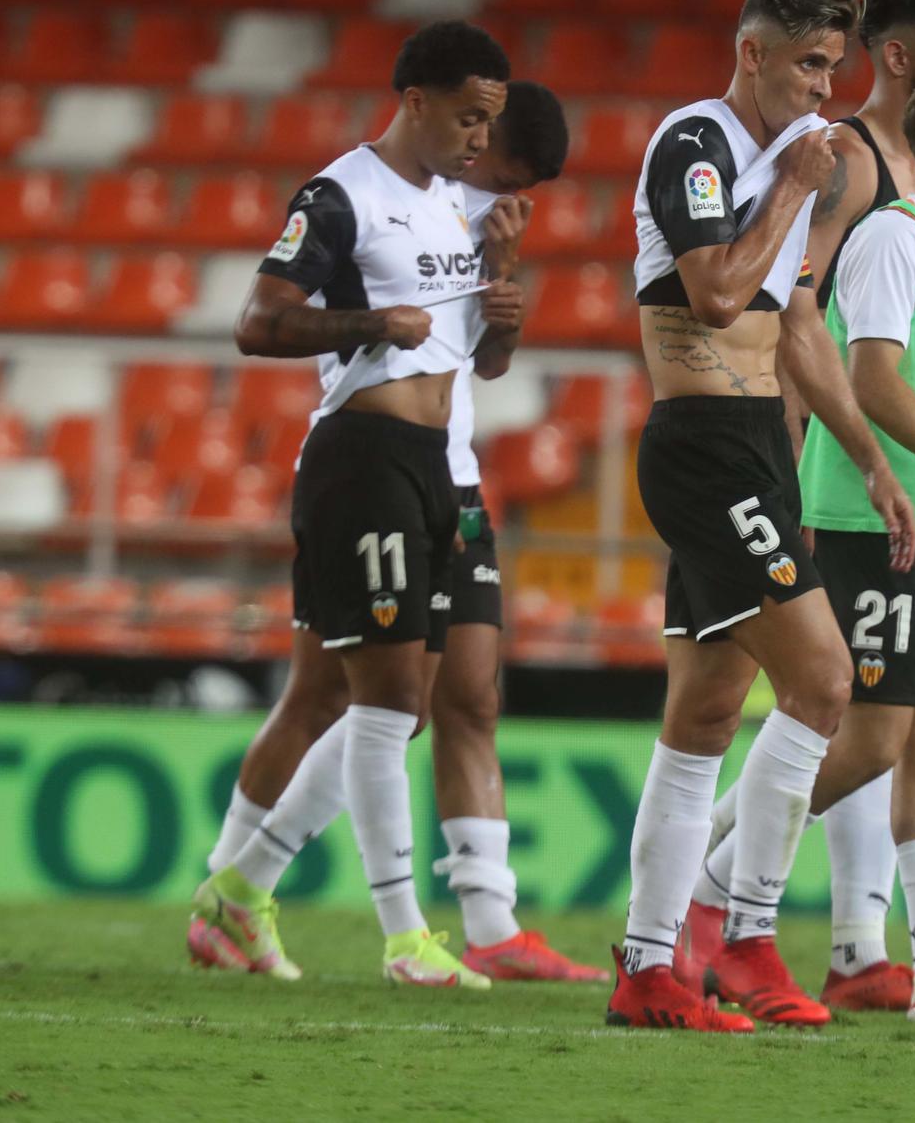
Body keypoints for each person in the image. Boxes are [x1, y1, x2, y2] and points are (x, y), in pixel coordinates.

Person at [187, 82, 603, 984]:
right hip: (371, 465)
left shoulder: (473, 218)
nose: (502, 184)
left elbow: (481, 359)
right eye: (497, 162)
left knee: (456, 697)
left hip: (450, 476)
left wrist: (504, 283)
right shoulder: (384, 197)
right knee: (334, 697)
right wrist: (379, 321)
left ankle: (478, 920)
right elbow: (280, 321)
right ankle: (232, 885)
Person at [687, 69, 915, 1026]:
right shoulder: (897, 236)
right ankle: (706, 896)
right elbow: (874, 380)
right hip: (876, 525)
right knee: (867, 741)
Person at [605, 0, 915, 1034]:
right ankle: (743, 936)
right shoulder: (695, 144)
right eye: (809, 64)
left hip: (758, 448)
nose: (825, 88)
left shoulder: (799, 150)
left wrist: (867, 457)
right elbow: (716, 293)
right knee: (824, 679)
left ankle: (649, 964)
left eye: (834, 66)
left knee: (702, 714)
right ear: (752, 54)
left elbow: (794, 325)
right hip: (703, 445)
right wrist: (790, 186)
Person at [760, 0, 915, 1014]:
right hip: (836, 475)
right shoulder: (852, 161)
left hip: (898, 484)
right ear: (897, 57)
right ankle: (709, 899)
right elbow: (792, 313)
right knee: (845, 720)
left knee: (875, 720)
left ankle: (857, 945)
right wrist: (800, 461)